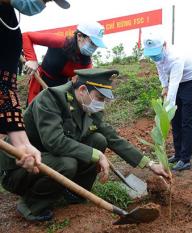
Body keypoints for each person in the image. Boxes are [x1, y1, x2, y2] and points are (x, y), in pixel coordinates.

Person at [0, 68, 170, 221]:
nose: (101, 104)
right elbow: (54, 142)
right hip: (21, 168)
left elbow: (112, 138)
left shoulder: (87, 106)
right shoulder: (50, 99)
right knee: (69, 163)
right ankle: (31, 204)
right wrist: (97, 155)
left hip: (49, 159)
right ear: (82, 90)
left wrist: (150, 164)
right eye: (100, 98)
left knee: (99, 140)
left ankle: (74, 192)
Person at [0, 0, 70, 177]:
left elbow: (5, 86)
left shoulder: (10, 28)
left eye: (47, 1)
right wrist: (31, 57)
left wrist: (21, 142)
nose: (41, 4)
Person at [143, 33, 192, 171]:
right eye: (151, 54)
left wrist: (166, 109)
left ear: (164, 45)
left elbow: (174, 84)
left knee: (187, 121)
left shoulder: (176, 58)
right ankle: (177, 154)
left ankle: (185, 159)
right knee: (175, 120)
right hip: (177, 82)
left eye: (155, 53)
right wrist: (164, 86)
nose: (154, 57)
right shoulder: (157, 56)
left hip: (191, 82)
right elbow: (161, 70)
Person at [23, 20, 106, 104]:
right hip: (40, 82)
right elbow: (26, 36)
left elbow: (86, 84)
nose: (94, 47)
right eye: (92, 43)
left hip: (61, 90)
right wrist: (31, 59)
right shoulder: (60, 42)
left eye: (96, 45)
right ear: (79, 36)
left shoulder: (86, 63)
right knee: (34, 112)